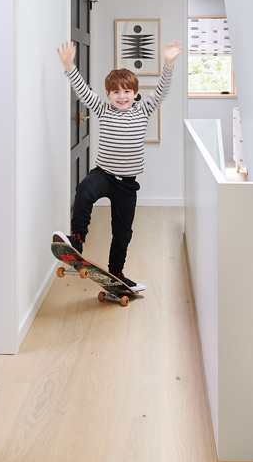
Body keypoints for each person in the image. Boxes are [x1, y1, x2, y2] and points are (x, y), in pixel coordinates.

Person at [53, 39, 183, 291]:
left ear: (135, 93)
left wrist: (168, 64)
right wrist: (70, 68)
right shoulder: (102, 109)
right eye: (116, 92)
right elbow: (83, 91)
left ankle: (117, 272)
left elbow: (162, 90)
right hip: (104, 174)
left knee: (123, 232)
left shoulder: (143, 110)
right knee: (84, 190)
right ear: (108, 95)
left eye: (126, 92)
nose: (121, 97)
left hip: (127, 184)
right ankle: (77, 240)